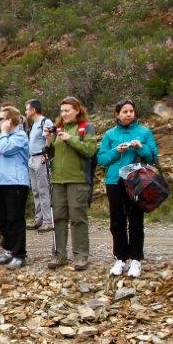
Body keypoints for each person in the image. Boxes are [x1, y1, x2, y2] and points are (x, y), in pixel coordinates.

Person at [97, 100, 159, 278]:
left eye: (131, 111)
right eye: (124, 111)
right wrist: (117, 151)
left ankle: (136, 259)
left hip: (137, 181)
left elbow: (153, 156)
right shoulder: (110, 134)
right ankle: (120, 258)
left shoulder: (144, 132)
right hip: (114, 181)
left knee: (136, 221)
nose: (129, 114)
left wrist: (142, 147)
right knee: (117, 221)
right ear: (117, 114)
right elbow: (102, 159)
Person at [46, 97, 98, 271]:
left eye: (67, 110)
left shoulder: (86, 128)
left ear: (77, 110)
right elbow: (52, 152)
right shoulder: (58, 128)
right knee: (59, 218)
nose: (64, 114)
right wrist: (49, 140)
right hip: (58, 180)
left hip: (78, 179)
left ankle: (81, 256)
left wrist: (71, 139)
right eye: (62, 111)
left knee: (77, 218)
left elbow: (90, 150)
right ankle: (60, 255)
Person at [0, 106, 30, 270]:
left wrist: (5, 133)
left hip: (16, 182)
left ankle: (19, 254)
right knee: (3, 219)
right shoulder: (1, 137)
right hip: (0, 182)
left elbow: (5, 150)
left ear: (10, 120)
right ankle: (7, 251)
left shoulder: (20, 136)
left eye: (1, 119)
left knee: (15, 219)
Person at [25, 100, 54, 232]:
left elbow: (49, 139)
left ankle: (48, 220)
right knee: (36, 190)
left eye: (27, 109)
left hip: (40, 158)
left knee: (43, 190)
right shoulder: (34, 124)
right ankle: (39, 219)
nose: (26, 112)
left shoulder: (45, 122)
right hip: (31, 159)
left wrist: (45, 154)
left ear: (33, 110)